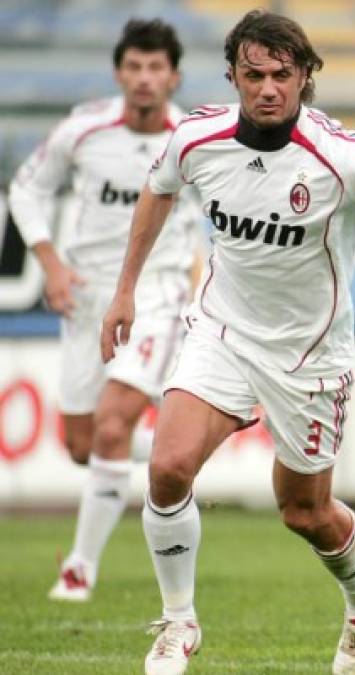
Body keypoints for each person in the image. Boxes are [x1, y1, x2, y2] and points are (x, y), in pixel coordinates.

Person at [99, 11, 355, 675]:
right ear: (231, 76)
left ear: (305, 77)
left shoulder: (336, 154)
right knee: (168, 467)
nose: (266, 88)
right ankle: (177, 624)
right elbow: (156, 189)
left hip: (309, 358)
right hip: (222, 330)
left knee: (303, 510)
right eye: (252, 75)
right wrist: (124, 290)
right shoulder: (196, 137)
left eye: (280, 75)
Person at [8, 19, 197, 602]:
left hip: (157, 295)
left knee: (114, 424)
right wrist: (52, 265)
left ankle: (78, 568)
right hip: (87, 297)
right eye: (134, 67)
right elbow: (26, 190)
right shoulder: (83, 129)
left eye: (155, 68)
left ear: (173, 76)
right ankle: (182, 450)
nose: (144, 79)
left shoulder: (193, 137)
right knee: (83, 446)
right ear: (119, 73)